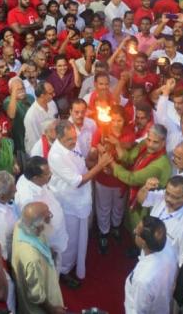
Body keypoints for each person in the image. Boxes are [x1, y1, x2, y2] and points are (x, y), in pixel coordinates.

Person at [47, 120, 112, 287]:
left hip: (81, 200)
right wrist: (100, 166)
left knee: (81, 236)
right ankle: (64, 270)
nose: (74, 142)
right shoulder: (56, 155)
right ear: (59, 138)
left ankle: (77, 263)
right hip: (68, 203)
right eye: (69, 139)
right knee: (69, 240)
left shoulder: (72, 144)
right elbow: (77, 181)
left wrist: (97, 163)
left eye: (74, 137)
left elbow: (83, 164)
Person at [11, 202, 66, 314]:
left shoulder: (21, 224)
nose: (51, 216)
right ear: (39, 226)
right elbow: (36, 295)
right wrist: (52, 310)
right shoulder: (33, 259)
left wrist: (46, 250)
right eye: (48, 217)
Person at [124, 215, 178, 314]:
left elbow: (138, 310)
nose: (134, 231)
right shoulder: (169, 247)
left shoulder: (142, 279)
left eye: (137, 232)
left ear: (143, 242)